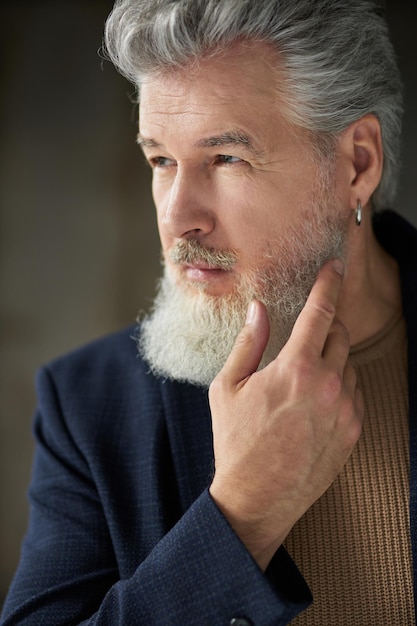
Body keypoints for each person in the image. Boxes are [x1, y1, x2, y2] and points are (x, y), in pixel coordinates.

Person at [1, 0, 415, 624]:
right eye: (161, 160)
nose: (174, 217)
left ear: (356, 163)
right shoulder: (88, 404)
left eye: (226, 158)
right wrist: (244, 514)